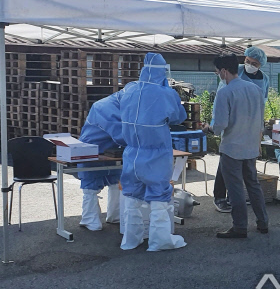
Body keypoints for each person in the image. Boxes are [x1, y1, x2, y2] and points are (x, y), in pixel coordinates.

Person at [120, 53, 188, 251]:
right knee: (159, 198)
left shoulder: (128, 90)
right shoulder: (166, 94)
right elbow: (177, 117)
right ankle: (159, 241)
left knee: (132, 198)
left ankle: (131, 240)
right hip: (157, 154)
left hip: (132, 154)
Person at [203, 53, 269, 238]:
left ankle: (240, 227)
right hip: (250, 145)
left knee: (235, 188)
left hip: (232, 147)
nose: (219, 75)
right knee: (253, 185)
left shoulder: (225, 91)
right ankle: (263, 222)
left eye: (217, 72)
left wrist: (209, 128)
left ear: (224, 71)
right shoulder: (255, 89)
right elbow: (260, 122)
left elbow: (220, 125)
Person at [77, 90, 129, 231]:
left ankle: (114, 215)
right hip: (92, 148)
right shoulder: (104, 107)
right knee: (91, 187)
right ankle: (90, 219)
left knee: (116, 183)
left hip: (112, 150)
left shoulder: (124, 104)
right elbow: (121, 133)